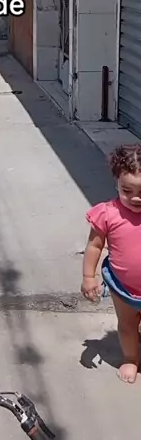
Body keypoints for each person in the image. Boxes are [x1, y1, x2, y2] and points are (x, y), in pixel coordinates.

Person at [82, 144, 141, 383]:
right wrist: (89, 277)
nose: (136, 197)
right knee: (127, 325)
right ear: (116, 182)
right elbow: (94, 246)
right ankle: (131, 359)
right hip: (122, 288)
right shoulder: (107, 214)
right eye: (127, 190)